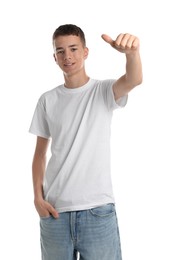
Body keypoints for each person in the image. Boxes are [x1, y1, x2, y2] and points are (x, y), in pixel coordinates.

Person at [29, 24, 142, 260]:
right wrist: (38, 198)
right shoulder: (47, 100)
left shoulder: (102, 91)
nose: (67, 56)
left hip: (97, 212)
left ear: (85, 52)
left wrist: (132, 54)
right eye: (60, 51)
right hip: (55, 214)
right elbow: (40, 154)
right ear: (54, 57)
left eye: (73, 49)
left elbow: (134, 79)